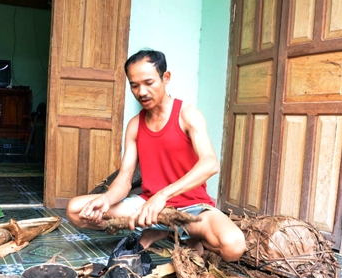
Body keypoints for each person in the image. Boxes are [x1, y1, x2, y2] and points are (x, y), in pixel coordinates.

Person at [66, 49, 246, 262]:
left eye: (148, 82)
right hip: (148, 208)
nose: (141, 91)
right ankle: (161, 229)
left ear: (165, 78)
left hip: (192, 209)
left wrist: (163, 196)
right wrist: (106, 199)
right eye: (134, 85)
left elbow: (210, 164)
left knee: (233, 246)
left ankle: (175, 231)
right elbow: (124, 178)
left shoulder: (187, 114)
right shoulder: (134, 125)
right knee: (76, 210)